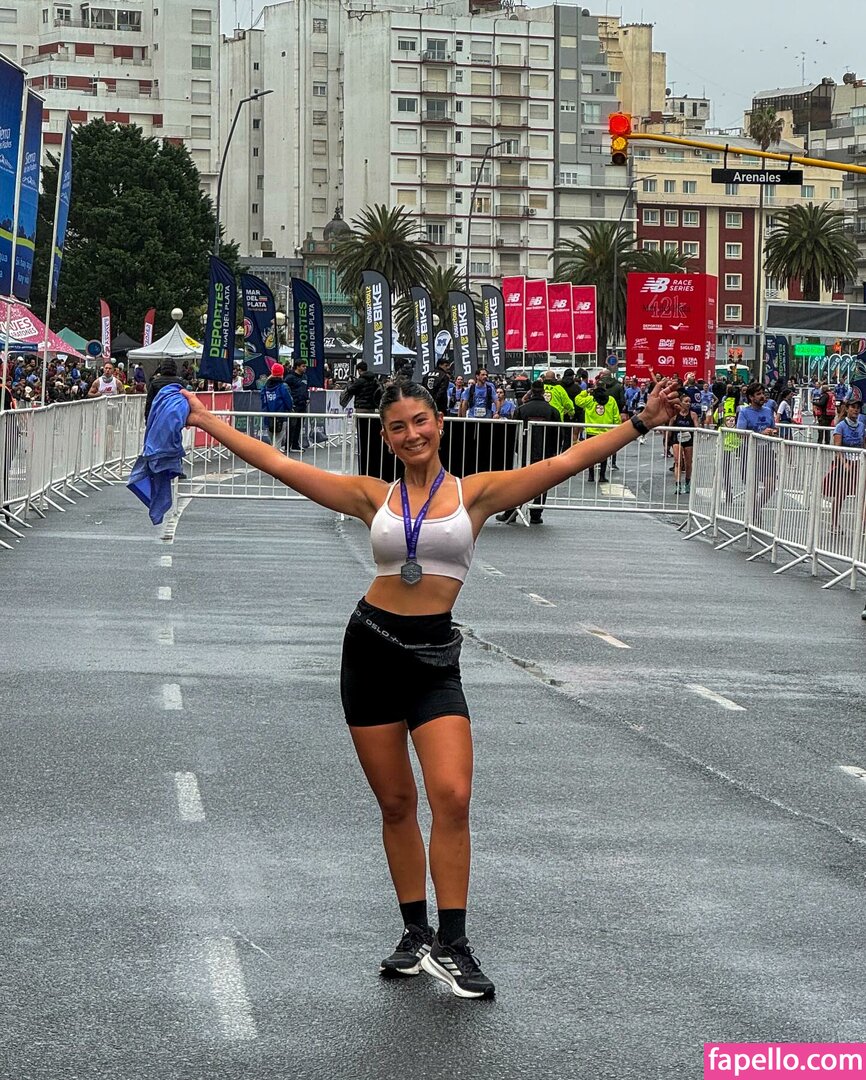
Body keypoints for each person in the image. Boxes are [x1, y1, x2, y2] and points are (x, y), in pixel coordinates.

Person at [179, 374, 680, 998]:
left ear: (439, 424)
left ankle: (454, 942)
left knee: (452, 795)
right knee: (396, 804)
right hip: (370, 650)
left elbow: (564, 461)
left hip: (434, 658)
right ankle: (416, 933)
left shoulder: (477, 495)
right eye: (398, 427)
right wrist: (207, 421)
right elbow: (281, 464)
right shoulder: (373, 497)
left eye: (420, 421)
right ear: (387, 438)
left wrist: (641, 422)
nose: (411, 434)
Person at [496, 380, 561, 524]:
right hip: (545, 452)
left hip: (525, 450)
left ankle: (512, 511)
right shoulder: (552, 411)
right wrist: (555, 452)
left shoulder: (522, 410)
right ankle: (536, 514)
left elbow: (513, 431)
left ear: (531, 391)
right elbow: (558, 434)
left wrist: (515, 449)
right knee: (543, 482)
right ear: (543, 392)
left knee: (520, 481)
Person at [736, 383, 779, 523]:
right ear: (751, 397)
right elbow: (740, 434)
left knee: (771, 485)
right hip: (750, 451)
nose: (762, 396)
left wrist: (773, 432)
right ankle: (752, 517)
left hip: (766, 451)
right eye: (758, 394)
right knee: (752, 486)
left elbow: (773, 427)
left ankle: (757, 507)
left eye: (763, 393)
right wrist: (760, 433)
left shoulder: (768, 411)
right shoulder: (744, 412)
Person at [822, 398, 865, 532]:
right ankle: (834, 524)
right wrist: (844, 463)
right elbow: (837, 449)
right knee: (840, 494)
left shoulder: (861, 426)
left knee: (863, 494)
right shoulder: (840, 426)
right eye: (853, 407)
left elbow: (863, 445)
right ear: (847, 409)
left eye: (858, 407)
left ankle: (863, 524)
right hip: (844, 464)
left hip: (859, 462)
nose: (856, 410)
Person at [573, 382, 621, 483]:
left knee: (590, 455)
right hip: (606, 431)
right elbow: (616, 416)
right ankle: (602, 476)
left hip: (591, 431)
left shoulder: (590, 400)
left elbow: (577, 400)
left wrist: (586, 392)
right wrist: (616, 428)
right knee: (604, 454)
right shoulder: (611, 400)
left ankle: (591, 476)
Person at [669, 392, 700, 495]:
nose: (688, 403)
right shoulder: (675, 415)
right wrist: (667, 443)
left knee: (688, 463)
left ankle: (687, 482)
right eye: (686, 402)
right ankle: (678, 485)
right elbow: (669, 428)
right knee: (678, 462)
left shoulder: (693, 415)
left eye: (689, 402)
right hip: (676, 440)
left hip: (688, 440)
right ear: (681, 403)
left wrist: (698, 434)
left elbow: (697, 427)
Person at [260, 362, 294, 448]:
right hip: (281, 416)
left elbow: (263, 400)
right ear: (282, 373)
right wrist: (289, 410)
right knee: (278, 442)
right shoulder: (283, 386)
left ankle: (270, 455)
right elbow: (288, 401)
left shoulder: (265, 386)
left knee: (272, 441)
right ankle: (274, 456)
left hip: (268, 416)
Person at [285, 360, 309, 452]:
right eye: (303, 366)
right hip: (294, 405)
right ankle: (287, 445)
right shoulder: (290, 377)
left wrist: (307, 398)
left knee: (299, 425)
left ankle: (295, 445)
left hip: (303, 404)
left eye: (305, 366)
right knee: (292, 425)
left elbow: (305, 389)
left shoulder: (305, 377)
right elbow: (285, 389)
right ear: (297, 367)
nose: (305, 368)